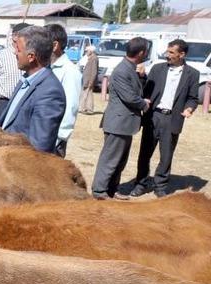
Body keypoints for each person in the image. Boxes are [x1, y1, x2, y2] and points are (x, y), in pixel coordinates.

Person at [130, 39, 200, 198]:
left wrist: (189, 108)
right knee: (145, 153)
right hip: (153, 116)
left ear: (182, 54)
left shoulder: (192, 74)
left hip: (172, 119)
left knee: (166, 155)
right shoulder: (157, 69)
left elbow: (193, 98)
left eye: (171, 53)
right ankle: (141, 183)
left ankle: (160, 186)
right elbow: (146, 90)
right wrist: (141, 77)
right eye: (167, 52)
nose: (167, 55)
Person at [91, 37, 151, 200]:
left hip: (125, 123)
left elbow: (135, 90)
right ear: (141, 53)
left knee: (120, 160)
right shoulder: (122, 70)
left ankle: (111, 189)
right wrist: (144, 103)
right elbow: (130, 97)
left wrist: (142, 76)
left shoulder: (131, 68)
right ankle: (99, 191)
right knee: (110, 159)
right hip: (118, 122)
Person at [0, 26, 65, 153]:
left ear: (31, 56)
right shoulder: (25, 80)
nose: (15, 53)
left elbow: (39, 148)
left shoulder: (49, 92)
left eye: (18, 49)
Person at [46, 24, 82, 158]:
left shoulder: (70, 72)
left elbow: (70, 108)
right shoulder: (47, 68)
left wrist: (57, 140)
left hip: (53, 142)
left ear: (55, 46)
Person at [0, 22, 29, 124]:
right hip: (3, 105)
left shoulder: (30, 55)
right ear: (15, 36)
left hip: (25, 105)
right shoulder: (0, 57)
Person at [80, 45, 98, 115]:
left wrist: (91, 81)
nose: (86, 52)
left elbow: (94, 71)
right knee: (86, 94)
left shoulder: (94, 58)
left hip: (89, 80)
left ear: (91, 51)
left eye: (86, 51)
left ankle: (87, 109)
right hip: (86, 79)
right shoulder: (90, 58)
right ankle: (85, 108)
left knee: (87, 94)